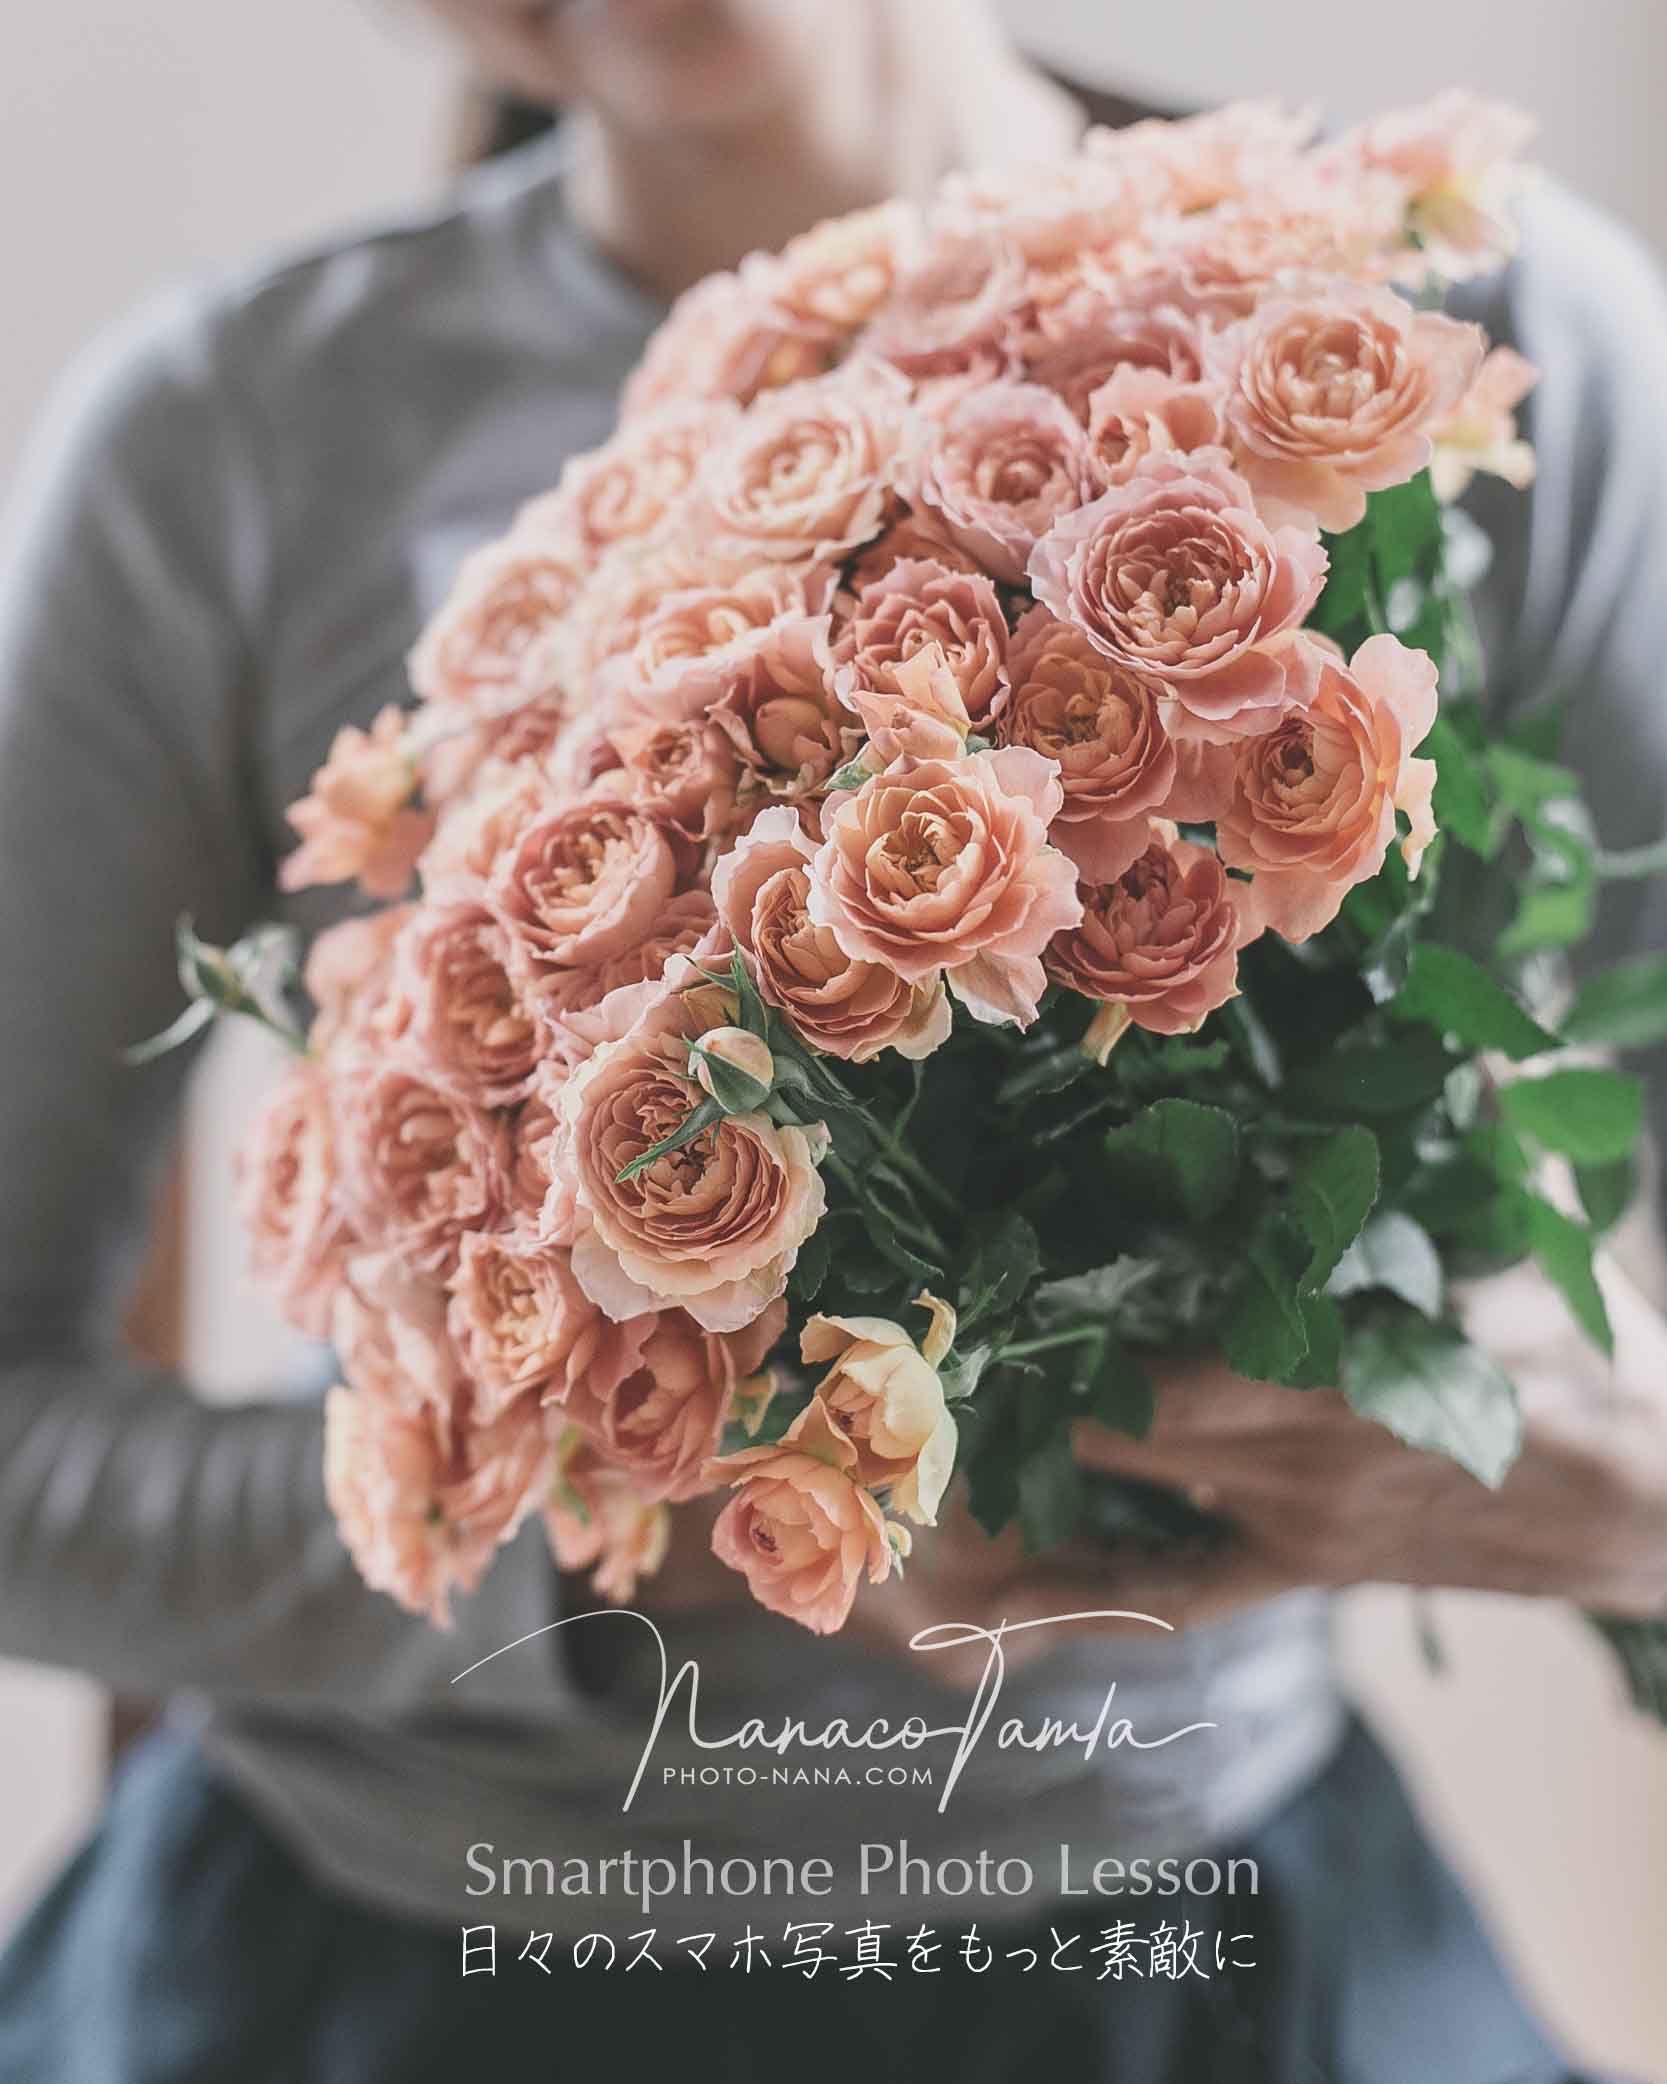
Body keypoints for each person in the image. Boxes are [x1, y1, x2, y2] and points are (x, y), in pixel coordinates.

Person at [0, 2, 1663, 2077]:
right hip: (399, 1971)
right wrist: (648, 1519)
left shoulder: (1455, 322)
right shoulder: (229, 440)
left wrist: (1589, 1475)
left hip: (1199, 1968)